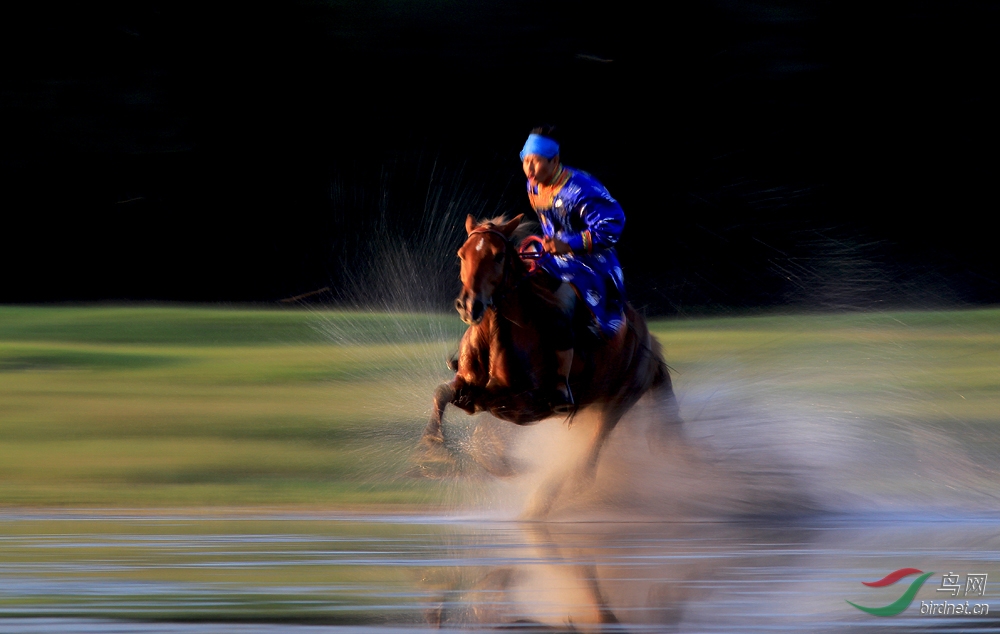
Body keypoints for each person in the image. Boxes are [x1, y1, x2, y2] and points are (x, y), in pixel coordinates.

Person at [520, 127, 627, 412]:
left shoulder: (581, 189)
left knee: (562, 306)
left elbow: (614, 224)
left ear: (554, 161)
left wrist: (568, 243)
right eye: (525, 160)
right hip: (551, 255)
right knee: (506, 278)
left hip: (589, 262)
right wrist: (550, 244)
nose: (529, 168)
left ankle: (561, 383)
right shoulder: (533, 184)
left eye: (536, 161)